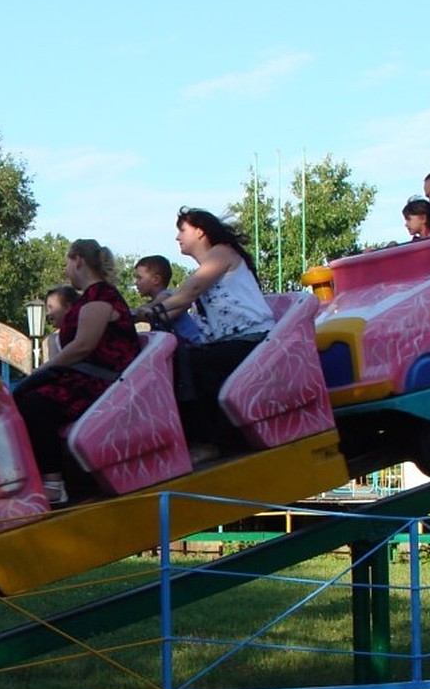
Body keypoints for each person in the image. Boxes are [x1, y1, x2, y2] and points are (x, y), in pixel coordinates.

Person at [137, 208, 275, 463]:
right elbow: (178, 305)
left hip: (253, 339)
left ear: (199, 231)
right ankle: (195, 438)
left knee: (192, 365)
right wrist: (137, 317)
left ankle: (208, 441)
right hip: (232, 342)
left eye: (182, 230)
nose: (177, 237)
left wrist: (146, 311)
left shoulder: (221, 254)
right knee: (176, 360)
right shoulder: (208, 265)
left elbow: (188, 293)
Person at [14, 240, 140, 506]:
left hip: (103, 381)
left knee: (35, 402)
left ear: (78, 260)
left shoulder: (100, 297)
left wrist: (43, 370)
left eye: (67, 263)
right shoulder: (90, 298)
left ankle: (54, 481)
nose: (66, 270)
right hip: (89, 375)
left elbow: (83, 345)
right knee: (20, 397)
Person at [133, 254, 203, 344]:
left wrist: (130, 312)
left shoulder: (167, 296)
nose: (136, 283)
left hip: (192, 345)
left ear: (156, 279)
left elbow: (149, 308)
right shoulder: (157, 300)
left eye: (139, 278)